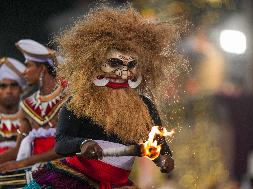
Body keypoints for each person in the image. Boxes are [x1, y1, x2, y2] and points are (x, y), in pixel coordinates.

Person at [25, 6, 186, 189]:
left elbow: (159, 145)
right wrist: (83, 144)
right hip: (77, 180)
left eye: (131, 64)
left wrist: (164, 159)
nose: (123, 72)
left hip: (118, 184)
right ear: (96, 63)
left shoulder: (144, 106)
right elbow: (61, 144)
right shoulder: (79, 103)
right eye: (115, 63)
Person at [0, 39, 68, 172]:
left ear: (42, 69)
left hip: (65, 171)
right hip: (36, 172)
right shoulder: (27, 105)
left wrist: (22, 163)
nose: (24, 72)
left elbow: (65, 147)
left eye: (28, 66)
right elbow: (18, 149)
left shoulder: (68, 100)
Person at [0, 57, 26, 156]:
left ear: (21, 89)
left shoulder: (32, 117)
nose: (9, 91)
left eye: (13, 85)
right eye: (3, 86)